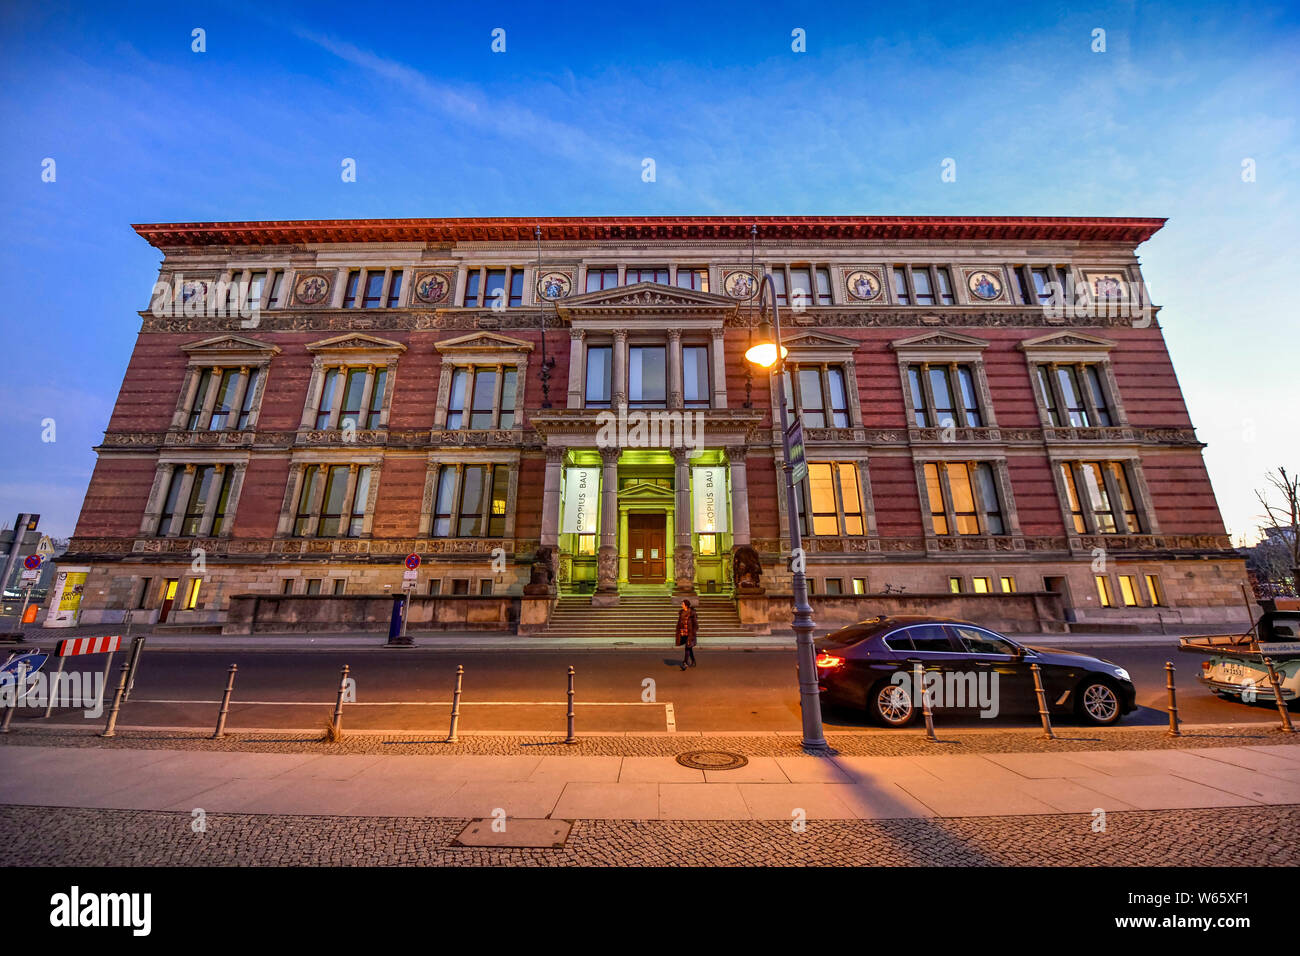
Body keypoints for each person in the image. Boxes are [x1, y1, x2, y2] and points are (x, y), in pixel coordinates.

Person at [676, 598, 699, 670]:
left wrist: (693, 633)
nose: (681, 605)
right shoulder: (682, 613)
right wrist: (678, 631)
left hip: (690, 634)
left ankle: (684, 663)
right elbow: (679, 623)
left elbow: (696, 625)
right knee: (689, 648)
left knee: (687, 648)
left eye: (682, 604)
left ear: (686, 605)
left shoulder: (692, 613)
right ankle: (693, 661)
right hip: (684, 633)